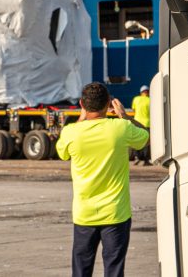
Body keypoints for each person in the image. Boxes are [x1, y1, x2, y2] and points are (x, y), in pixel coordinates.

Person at [56, 82, 149, 277]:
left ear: (82, 104)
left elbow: (63, 153)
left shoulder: (71, 132)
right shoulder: (121, 128)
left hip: (84, 215)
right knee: (114, 270)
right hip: (115, 213)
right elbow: (145, 137)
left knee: (81, 271)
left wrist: (82, 116)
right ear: (109, 104)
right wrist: (125, 116)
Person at [130, 85, 152, 166]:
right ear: (148, 92)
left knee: (136, 140)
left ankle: (137, 158)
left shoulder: (136, 99)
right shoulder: (150, 100)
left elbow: (133, 110)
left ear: (141, 92)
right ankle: (146, 160)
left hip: (137, 122)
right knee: (146, 141)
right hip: (147, 123)